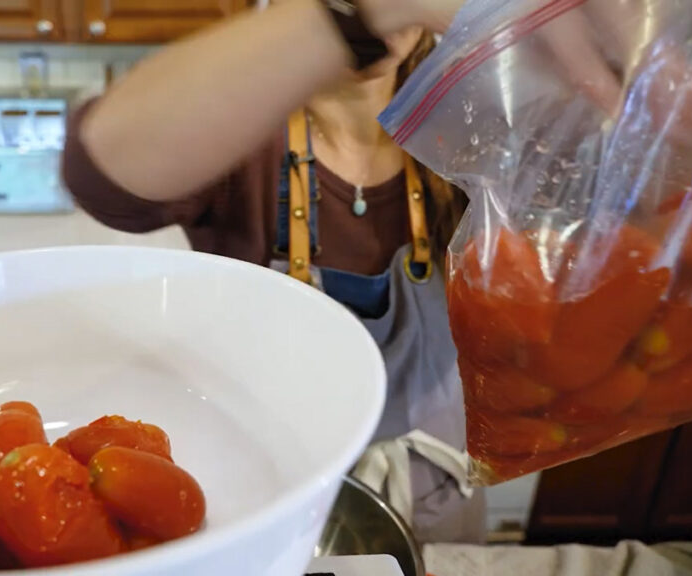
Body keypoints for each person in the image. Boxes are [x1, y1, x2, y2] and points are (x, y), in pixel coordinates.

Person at [62, 0, 479, 542]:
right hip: (274, 499)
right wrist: (352, 17)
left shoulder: (471, 129)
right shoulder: (240, 131)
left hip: (436, 492)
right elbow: (101, 178)